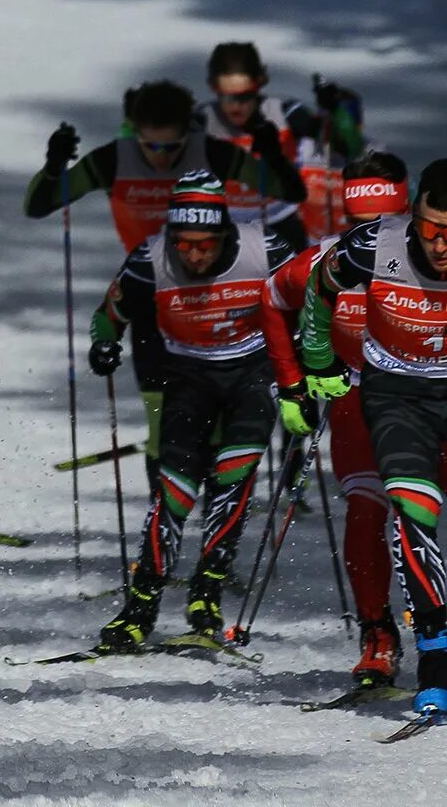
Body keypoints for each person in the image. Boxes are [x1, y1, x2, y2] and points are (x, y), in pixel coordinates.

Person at [26, 79, 303, 485]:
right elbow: (40, 205)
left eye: (171, 148)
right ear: (135, 132)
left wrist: (274, 155)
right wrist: (53, 168)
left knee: (219, 430)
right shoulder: (113, 160)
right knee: (161, 423)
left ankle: (213, 531)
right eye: (150, 147)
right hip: (151, 297)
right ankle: (162, 530)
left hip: (216, 297)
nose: (161, 157)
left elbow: (287, 191)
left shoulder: (210, 151)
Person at [87, 171, 301, 652]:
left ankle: (208, 592)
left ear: (224, 234)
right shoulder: (151, 258)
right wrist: (104, 343)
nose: (194, 255)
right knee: (175, 491)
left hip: (253, 370)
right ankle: (140, 607)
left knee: (234, 474)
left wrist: (312, 358)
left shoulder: (265, 248)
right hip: (186, 374)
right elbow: (110, 312)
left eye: (205, 245)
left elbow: (308, 302)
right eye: (184, 244)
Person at [298, 157, 447, 720]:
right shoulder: (369, 245)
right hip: (396, 394)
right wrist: (309, 362)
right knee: (409, 512)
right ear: (413, 217)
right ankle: (427, 655)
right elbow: (311, 288)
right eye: (431, 231)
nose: (440, 247)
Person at [268, 151, 419, 686]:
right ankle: (378, 634)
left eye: (386, 223)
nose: (372, 235)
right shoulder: (330, 261)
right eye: (360, 224)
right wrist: (293, 382)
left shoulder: (433, 255)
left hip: (433, 394)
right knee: (366, 510)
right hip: (359, 397)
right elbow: (272, 299)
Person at [195, 41, 366, 251]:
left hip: (279, 219)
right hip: (226, 220)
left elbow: (348, 147)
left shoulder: (284, 112)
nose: (235, 105)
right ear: (214, 87)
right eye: (226, 96)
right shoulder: (202, 120)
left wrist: (335, 112)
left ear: (259, 83)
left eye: (245, 96)